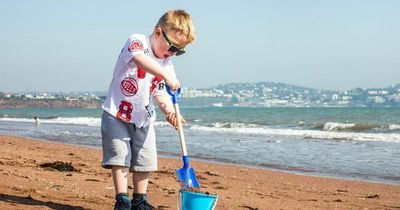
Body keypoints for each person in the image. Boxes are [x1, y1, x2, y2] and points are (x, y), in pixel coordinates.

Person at [101, 10, 196, 210]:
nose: (172, 53)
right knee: (120, 156)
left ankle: (140, 199)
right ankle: (122, 199)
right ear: (158, 32)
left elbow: (160, 93)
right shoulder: (137, 41)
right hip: (116, 112)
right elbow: (139, 59)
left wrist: (169, 111)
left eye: (179, 51)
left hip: (143, 118)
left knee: (145, 159)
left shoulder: (167, 64)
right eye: (172, 46)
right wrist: (166, 75)